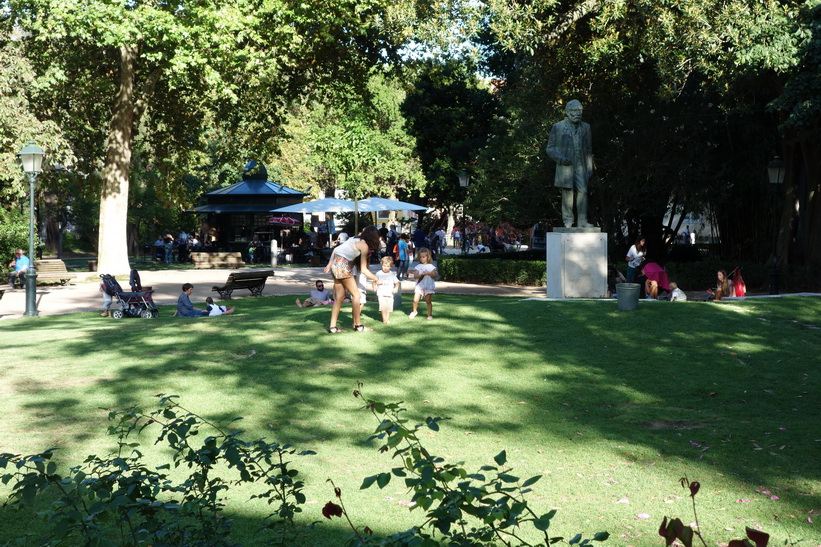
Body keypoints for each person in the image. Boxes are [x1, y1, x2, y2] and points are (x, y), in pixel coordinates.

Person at [546, 99, 595, 228]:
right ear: (567, 112)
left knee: (583, 191)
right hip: (566, 166)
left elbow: (589, 150)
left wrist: (590, 166)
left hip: (581, 165)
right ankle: (568, 220)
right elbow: (550, 148)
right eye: (574, 110)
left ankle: (582, 221)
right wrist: (561, 159)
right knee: (568, 192)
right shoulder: (558, 127)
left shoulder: (586, 127)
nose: (577, 113)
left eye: (579, 111)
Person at [323, 225, 381, 333]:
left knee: (339, 297)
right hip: (343, 266)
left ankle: (333, 327)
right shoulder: (364, 246)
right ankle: (358, 325)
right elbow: (364, 269)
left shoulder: (354, 239)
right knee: (356, 295)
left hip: (335, 265)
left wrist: (329, 264)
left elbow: (336, 249)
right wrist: (376, 279)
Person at [408, 247, 437, 320]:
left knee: (428, 301)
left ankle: (429, 314)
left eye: (424, 257)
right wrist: (422, 275)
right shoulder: (418, 266)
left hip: (428, 286)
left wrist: (428, 273)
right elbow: (415, 276)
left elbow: (434, 276)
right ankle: (414, 311)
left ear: (428, 257)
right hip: (419, 286)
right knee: (415, 300)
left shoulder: (431, 267)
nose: (422, 259)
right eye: (420, 257)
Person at [373, 256, 400, 324]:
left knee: (389, 307)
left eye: (387, 266)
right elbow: (374, 281)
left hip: (390, 294)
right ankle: (384, 319)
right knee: (383, 307)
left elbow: (397, 282)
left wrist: (395, 288)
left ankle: (387, 318)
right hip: (381, 293)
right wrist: (374, 286)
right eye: (384, 265)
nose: (385, 267)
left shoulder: (391, 274)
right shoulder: (379, 273)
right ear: (381, 264)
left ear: (390, 266)